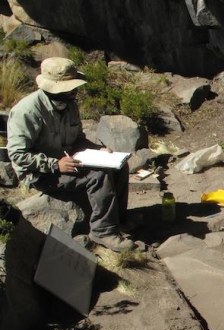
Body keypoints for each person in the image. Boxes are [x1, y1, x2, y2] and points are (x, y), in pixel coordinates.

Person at [7, 57, 134, 252]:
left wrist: (97, 149)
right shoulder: (27, 111)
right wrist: (55, 164)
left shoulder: (69, 104)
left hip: (68, 160)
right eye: (70, 88)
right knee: (98, 176)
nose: (75, 92)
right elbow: (17, 154)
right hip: (41, 173)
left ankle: (118, 220)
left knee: (119, 166)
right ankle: (102, 232)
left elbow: (77, 139)